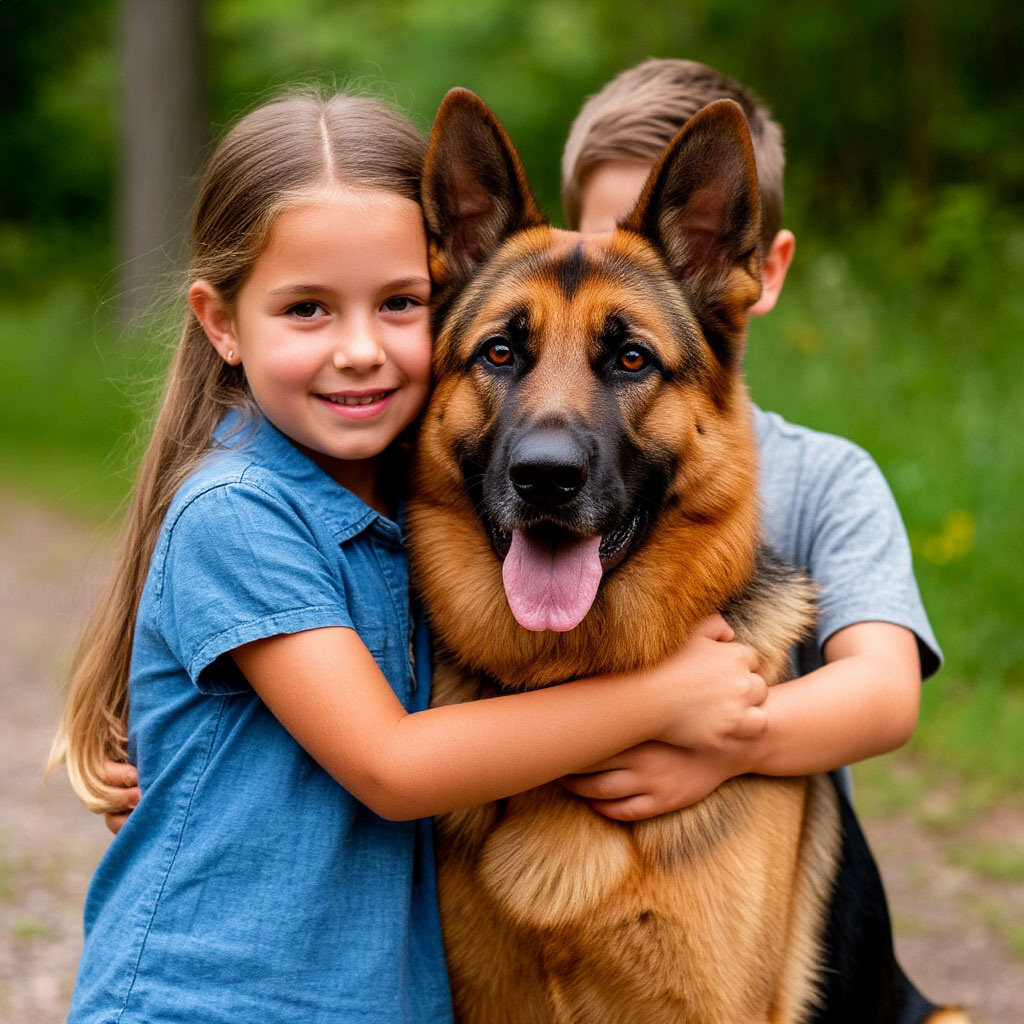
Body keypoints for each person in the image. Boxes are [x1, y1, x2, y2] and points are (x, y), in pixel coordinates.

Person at [50, 90, 772, 1024]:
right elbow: (394, 765)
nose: (359, 350)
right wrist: (668, 700)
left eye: (398, 304)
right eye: (308, 308)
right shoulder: (241, 514)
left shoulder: (415, 518)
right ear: (221, 322)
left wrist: (748, 726)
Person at [555, 58, 941, 818]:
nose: (651, 271)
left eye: (692, 241)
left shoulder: (826, 476)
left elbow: (885, 692)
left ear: (763, 268)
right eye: (613, 243)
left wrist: (726, 747)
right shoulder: (543, 457)